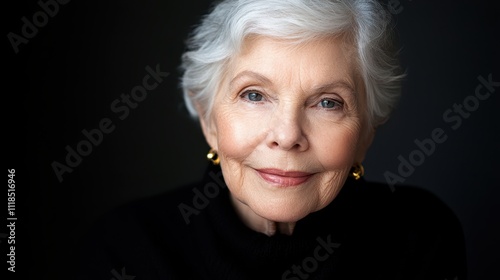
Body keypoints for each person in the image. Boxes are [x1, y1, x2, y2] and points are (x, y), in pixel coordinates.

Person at [77, 0, 467, 279]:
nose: (287, 136)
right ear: (209, 119)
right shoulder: (126, 247)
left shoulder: (421, 237)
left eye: (328, 102)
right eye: (254, 95)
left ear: (367, 132)